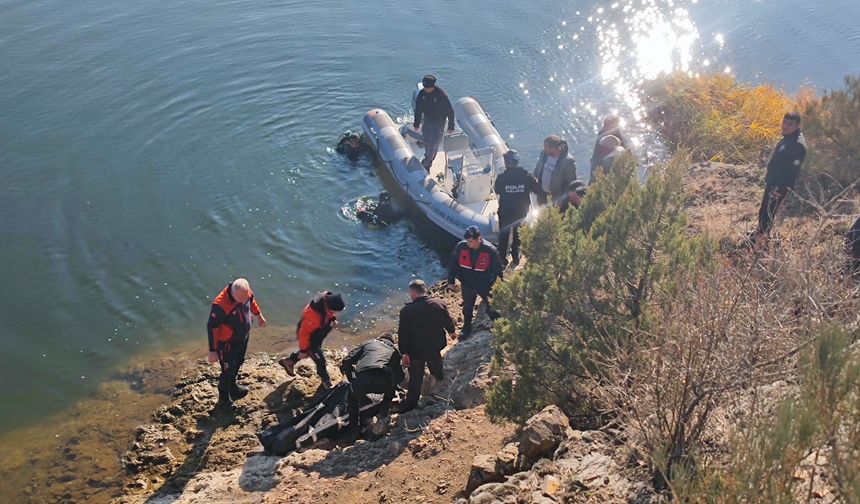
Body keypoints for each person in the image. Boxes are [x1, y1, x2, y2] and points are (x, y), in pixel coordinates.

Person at [207, 278, 267, 413]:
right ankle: (223, 399)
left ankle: (233, 387)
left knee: (239, 362)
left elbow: (251, 301)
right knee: (227, 370)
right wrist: (212, 351)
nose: (243, 302)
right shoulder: (220, 305)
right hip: (227, 344)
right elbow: (212, 328)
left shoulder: (245, 294)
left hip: (242, 338)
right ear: (233, 294)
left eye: (245, 298)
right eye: (240, 299)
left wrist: (259, 315)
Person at [397, 279, 456, 413]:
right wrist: (452, 331)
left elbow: (403, 334)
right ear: (425, 290)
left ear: (412, 293)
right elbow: (447, 320)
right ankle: (437, 390)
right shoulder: (439, 304)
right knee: (436, 366)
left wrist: (404, 352)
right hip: (435, 346)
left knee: (416, 378)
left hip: (416, 351)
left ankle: (411, 405)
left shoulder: (407, 311)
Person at [752, 112, 807, 241]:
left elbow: (792, 171)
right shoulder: (789, 137)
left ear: (797, 126)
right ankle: (760, 233)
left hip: (779, 185)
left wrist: (779, 188)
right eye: (784, 122)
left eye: (790, 124)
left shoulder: (797, 144)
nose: (785, 126)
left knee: (768, 212)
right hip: (773, 181)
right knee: (764, 210)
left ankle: (761, 241)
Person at [339, 333, 405, 437]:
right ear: (392, 342)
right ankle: (383, 413)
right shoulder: (395, 352)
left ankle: (354, 431)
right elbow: (401, 376)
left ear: (378, 338)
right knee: (391, 386)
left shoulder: (368, 343)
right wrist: (392, 383)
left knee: (352, 398)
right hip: (384, 383)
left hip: (363, 380)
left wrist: (352, 379)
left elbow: (346, 361)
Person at [279, 291, 346, 389]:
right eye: (334, 312)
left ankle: (289, 361)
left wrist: (332, 319)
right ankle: (326, 381)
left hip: (318, 333)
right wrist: (302, 350)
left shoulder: (327, 298)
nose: (336, 314)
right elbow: (303, 334)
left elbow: (328, 313)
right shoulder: (313, 316)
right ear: (329, 308)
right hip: (310, 337)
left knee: (310, 353)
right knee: (320, 359)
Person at [447, 226, 503, 338]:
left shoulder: (490, 250)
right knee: (467, 307)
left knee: (492, 306)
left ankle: (499, 325)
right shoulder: (461, 247)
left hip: (485, 284)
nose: (469, 244)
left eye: (471, 242)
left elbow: (498, 271)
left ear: (479, 238)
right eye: (467, 241)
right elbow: (453, 264)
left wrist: (498, 286)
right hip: (468, 283)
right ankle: (467, 326)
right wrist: (451, 281)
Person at [494, 149, 542, 268]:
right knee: (518, 235)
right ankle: (515, 256)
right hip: (521, 213)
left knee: (503, 236)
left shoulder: (502, 177)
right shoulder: (527, 176)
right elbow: (537, 190)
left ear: (506, 162)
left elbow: (498, 190)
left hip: (505, 212)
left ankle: (502, 259)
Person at [412, 74, 455, 171]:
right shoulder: (422, 94)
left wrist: (451, 126)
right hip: (427, 120)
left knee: (433, 145)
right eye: (425, 87)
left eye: (428, 88)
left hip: (439, 123)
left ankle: (427, 164)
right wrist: (416, 123)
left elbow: (450, 111)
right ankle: (427, 156)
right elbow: (418, 109)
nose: (426, 89)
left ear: (433, 86)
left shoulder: (441, 95)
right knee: (427, 141)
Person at [534, 135, 577, 208]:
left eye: (546, 148)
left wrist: (563, 200)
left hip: (556, 198)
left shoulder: (568, 161)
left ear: (554, 147)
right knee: (542, 216)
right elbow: (537, 169)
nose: (544, 150)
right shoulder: (543, 154)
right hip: (542, 194)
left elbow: (571, 184)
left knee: (555, 217)